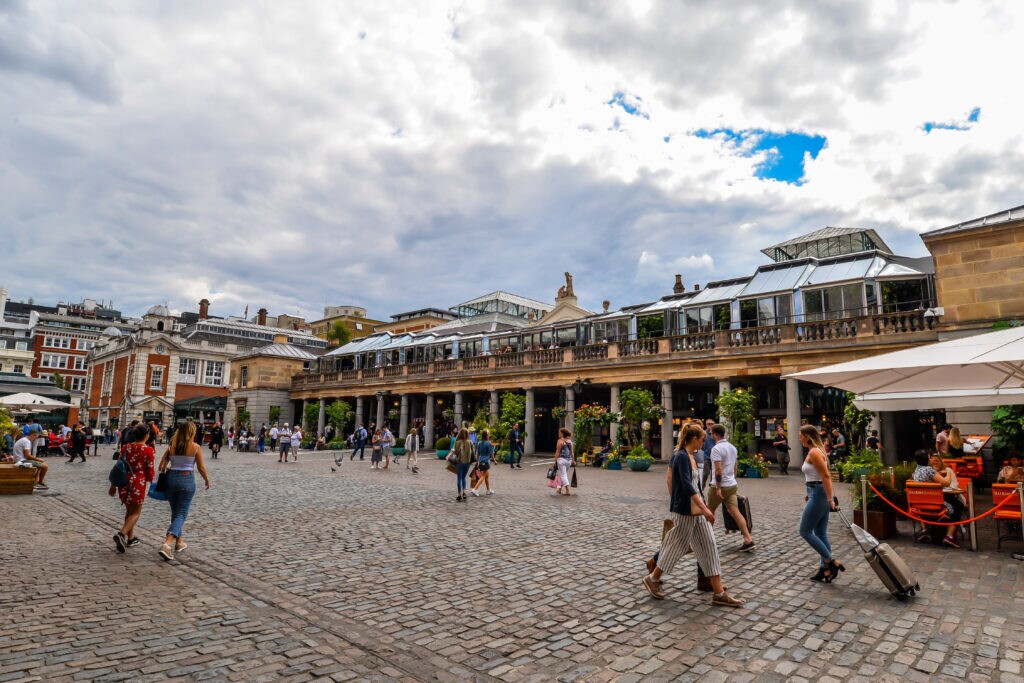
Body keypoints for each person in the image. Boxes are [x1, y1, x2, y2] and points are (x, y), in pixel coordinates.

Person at [642, 423, 744, 607]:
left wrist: (703, 506)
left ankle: (719, 592)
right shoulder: (680, 456)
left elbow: (696, 486)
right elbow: (687, 486)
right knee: (677, 545)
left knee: (709, 546)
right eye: (702, 439)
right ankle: (653, 578)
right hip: (685, 510)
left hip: (696, 510)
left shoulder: (691, 456)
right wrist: (705, 509)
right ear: (694, 439)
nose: (704, 443)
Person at [156, 421, 211, 561]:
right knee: (181, 514)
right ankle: (167, 544)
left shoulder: (171, 447)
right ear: (191, 432)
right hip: (187, 479)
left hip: (171, 479)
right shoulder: (195, 447)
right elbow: (201, 468)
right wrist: (206, 480)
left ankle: (179, 543)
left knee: (175, 513)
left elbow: (162, 465)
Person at [799, 425, 845, 582]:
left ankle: (830, 562)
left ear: (808, 436)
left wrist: (830, 498)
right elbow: (816, 475)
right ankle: (825, 570)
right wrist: (809, 492)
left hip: (819, 494)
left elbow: (826, 476)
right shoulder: (815, 451)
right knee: (820, 533)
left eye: (801, 435)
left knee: (805, 531)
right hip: (815, 492)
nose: (799, 438)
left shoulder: (814, 452)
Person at [707, 424, 755, 552]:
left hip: (719, 486)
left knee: (708, 513)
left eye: (711, 433)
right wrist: (731, 479)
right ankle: (748, 539)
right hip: (731, 485)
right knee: (735, 511)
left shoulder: (716, 449)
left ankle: (705, 540)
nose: (710, 435)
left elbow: (718, 470)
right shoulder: (732, 448)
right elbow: (735, 467)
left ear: (715, 434)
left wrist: (718, 487)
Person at [109, 423, 155, 553]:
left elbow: (118, 466)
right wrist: (152, 483)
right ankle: (122, 534)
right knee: (136, 512)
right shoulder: (148, 450)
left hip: (124, 480)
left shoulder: (126, 447)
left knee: (129, 511)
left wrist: (113, 485)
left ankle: (131, 538)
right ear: (146, 436)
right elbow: (150, 470)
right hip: (138, 481)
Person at [912, 449, 962, 548]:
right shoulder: (929, 470)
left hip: (921, 506)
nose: (931, 460)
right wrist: (949, 472)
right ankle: (949, 537)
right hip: (935, 507)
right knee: (957, 506)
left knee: (953, 502)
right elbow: (946, 483)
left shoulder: (917, 470)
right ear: (927, 459)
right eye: (930, 458)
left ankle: (925, 531)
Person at [451, 428, 474, 501]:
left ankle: (459, 494)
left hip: (459, 462)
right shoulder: (470, 442)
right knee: (464, 477)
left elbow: (454, 452)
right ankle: (464, 492)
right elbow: (473, 452)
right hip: (467, 462)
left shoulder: (457, 442)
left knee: (459, 478)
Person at [470, 429, 495, 496]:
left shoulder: (479, 443)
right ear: (486, 435)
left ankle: (488, 490)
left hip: (481, 461)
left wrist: (477, 461)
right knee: (483, 476)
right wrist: (494, 460)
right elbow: (491, 453)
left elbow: (478, 453)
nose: (489, 434)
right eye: (488, 433)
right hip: (486, 462)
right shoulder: (488, 443)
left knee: (486, 476)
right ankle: (475, 489)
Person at [553, 428, 575, 496]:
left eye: (559, 432)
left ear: (562, 433)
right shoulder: (570, 441)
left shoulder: (560, 441)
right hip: (569, 460)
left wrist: (554, 461)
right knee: (563, 474)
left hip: (561, 460)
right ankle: (559, 489)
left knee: (563, 475)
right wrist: (573, 460)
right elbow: (572, 452)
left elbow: (557, 452)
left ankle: (568, 490)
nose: (558, 434)